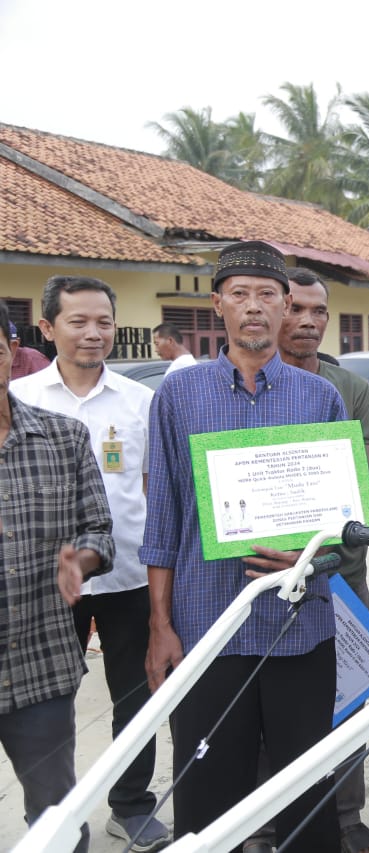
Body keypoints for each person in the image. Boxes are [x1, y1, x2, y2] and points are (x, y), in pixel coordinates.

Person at [141, 241, 346, 851]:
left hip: (298, 625)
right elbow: (165, 518)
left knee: (306, 790)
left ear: (286, 307)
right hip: (207, 628)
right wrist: (160, 624)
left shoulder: (320, 398)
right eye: (239, 294)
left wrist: (313, 558)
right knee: (207, 791)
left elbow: (342, 530)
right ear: (218, 306)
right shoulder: (179, 396)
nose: (253, 307)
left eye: (266, 295)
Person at [12, 277, 169, 852]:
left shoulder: (141, 401)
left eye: (104, 321)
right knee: (48, 709)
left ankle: (130, 805)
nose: (94, 333)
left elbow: (158, 492)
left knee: (136, 696)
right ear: (48, 328)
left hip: (127, 573)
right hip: (47, 585)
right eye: (78, 322)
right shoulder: (21, 396)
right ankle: (58, 814)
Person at [259, 267, 369, 853]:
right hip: (263, 575)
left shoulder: (346, 389)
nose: (307, 321)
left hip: (342, 576)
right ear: (275, 310)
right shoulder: (246, 387)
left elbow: (352, 485)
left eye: (318, 311)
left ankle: (346, 818)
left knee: (347, 699)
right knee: (267, 703)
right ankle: (263, 824)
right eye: (296, 308)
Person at [0, 301, 112, 853]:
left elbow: (98, 528)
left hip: (39, 665)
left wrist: (82, 560)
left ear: (11, 354)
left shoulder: (64, 437)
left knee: (56, 815)